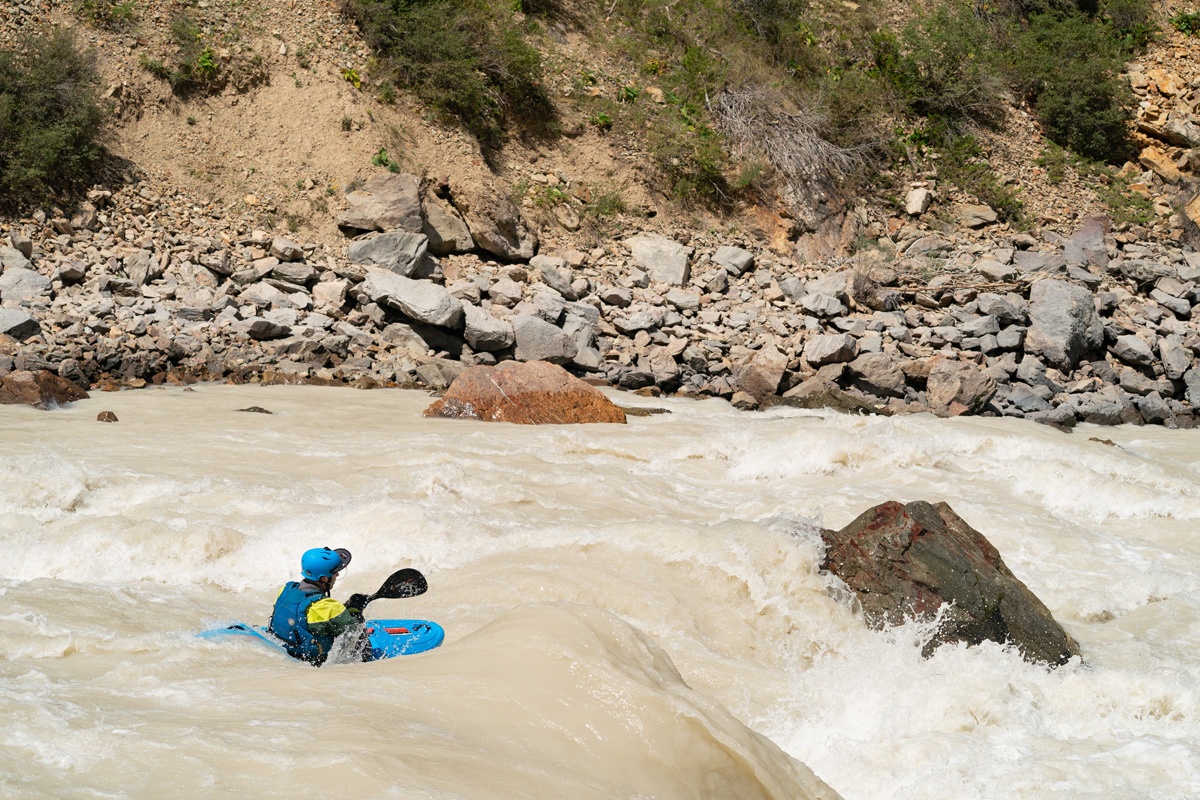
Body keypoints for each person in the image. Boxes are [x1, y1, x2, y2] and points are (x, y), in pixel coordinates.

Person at [268, 547, 372, 666]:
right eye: (334, 572)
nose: (337, 574)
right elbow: (354, 635)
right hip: (314, 661)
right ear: (324, 578)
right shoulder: (331, 608)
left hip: (284, 649)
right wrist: (355, 612)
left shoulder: (285, 590)